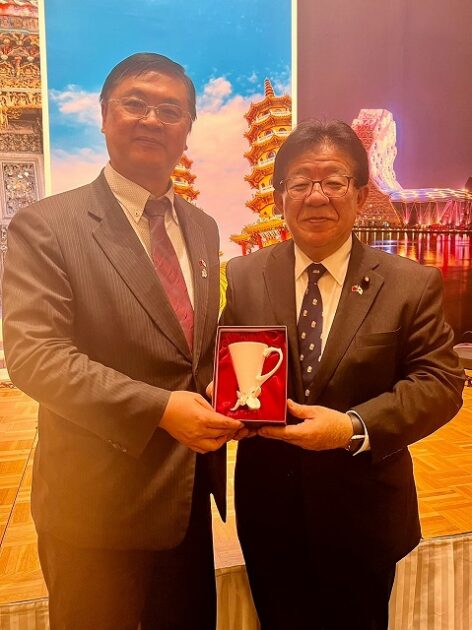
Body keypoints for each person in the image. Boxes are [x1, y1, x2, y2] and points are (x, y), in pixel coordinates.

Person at [2, 52, 243, 630]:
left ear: (187, 128)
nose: (152, 119)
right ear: (105, 115)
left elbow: (190, 345)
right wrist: (159, 408)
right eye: (135, 104)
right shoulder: (48, 226)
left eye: (171, 110)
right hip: (96, 506)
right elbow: (35, 357)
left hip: (187, 496)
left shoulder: (202, 226)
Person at [221, 120, 464, 630]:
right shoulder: (244, 276)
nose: (316, 196)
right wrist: (219, 393)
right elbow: (227, 362)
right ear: (280, 196)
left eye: (334, 181)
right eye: (300, 182)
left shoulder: (409, 283)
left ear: (359, 195)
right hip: (270, 513)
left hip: (364, 515)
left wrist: (352, 427)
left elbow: (440, 383)